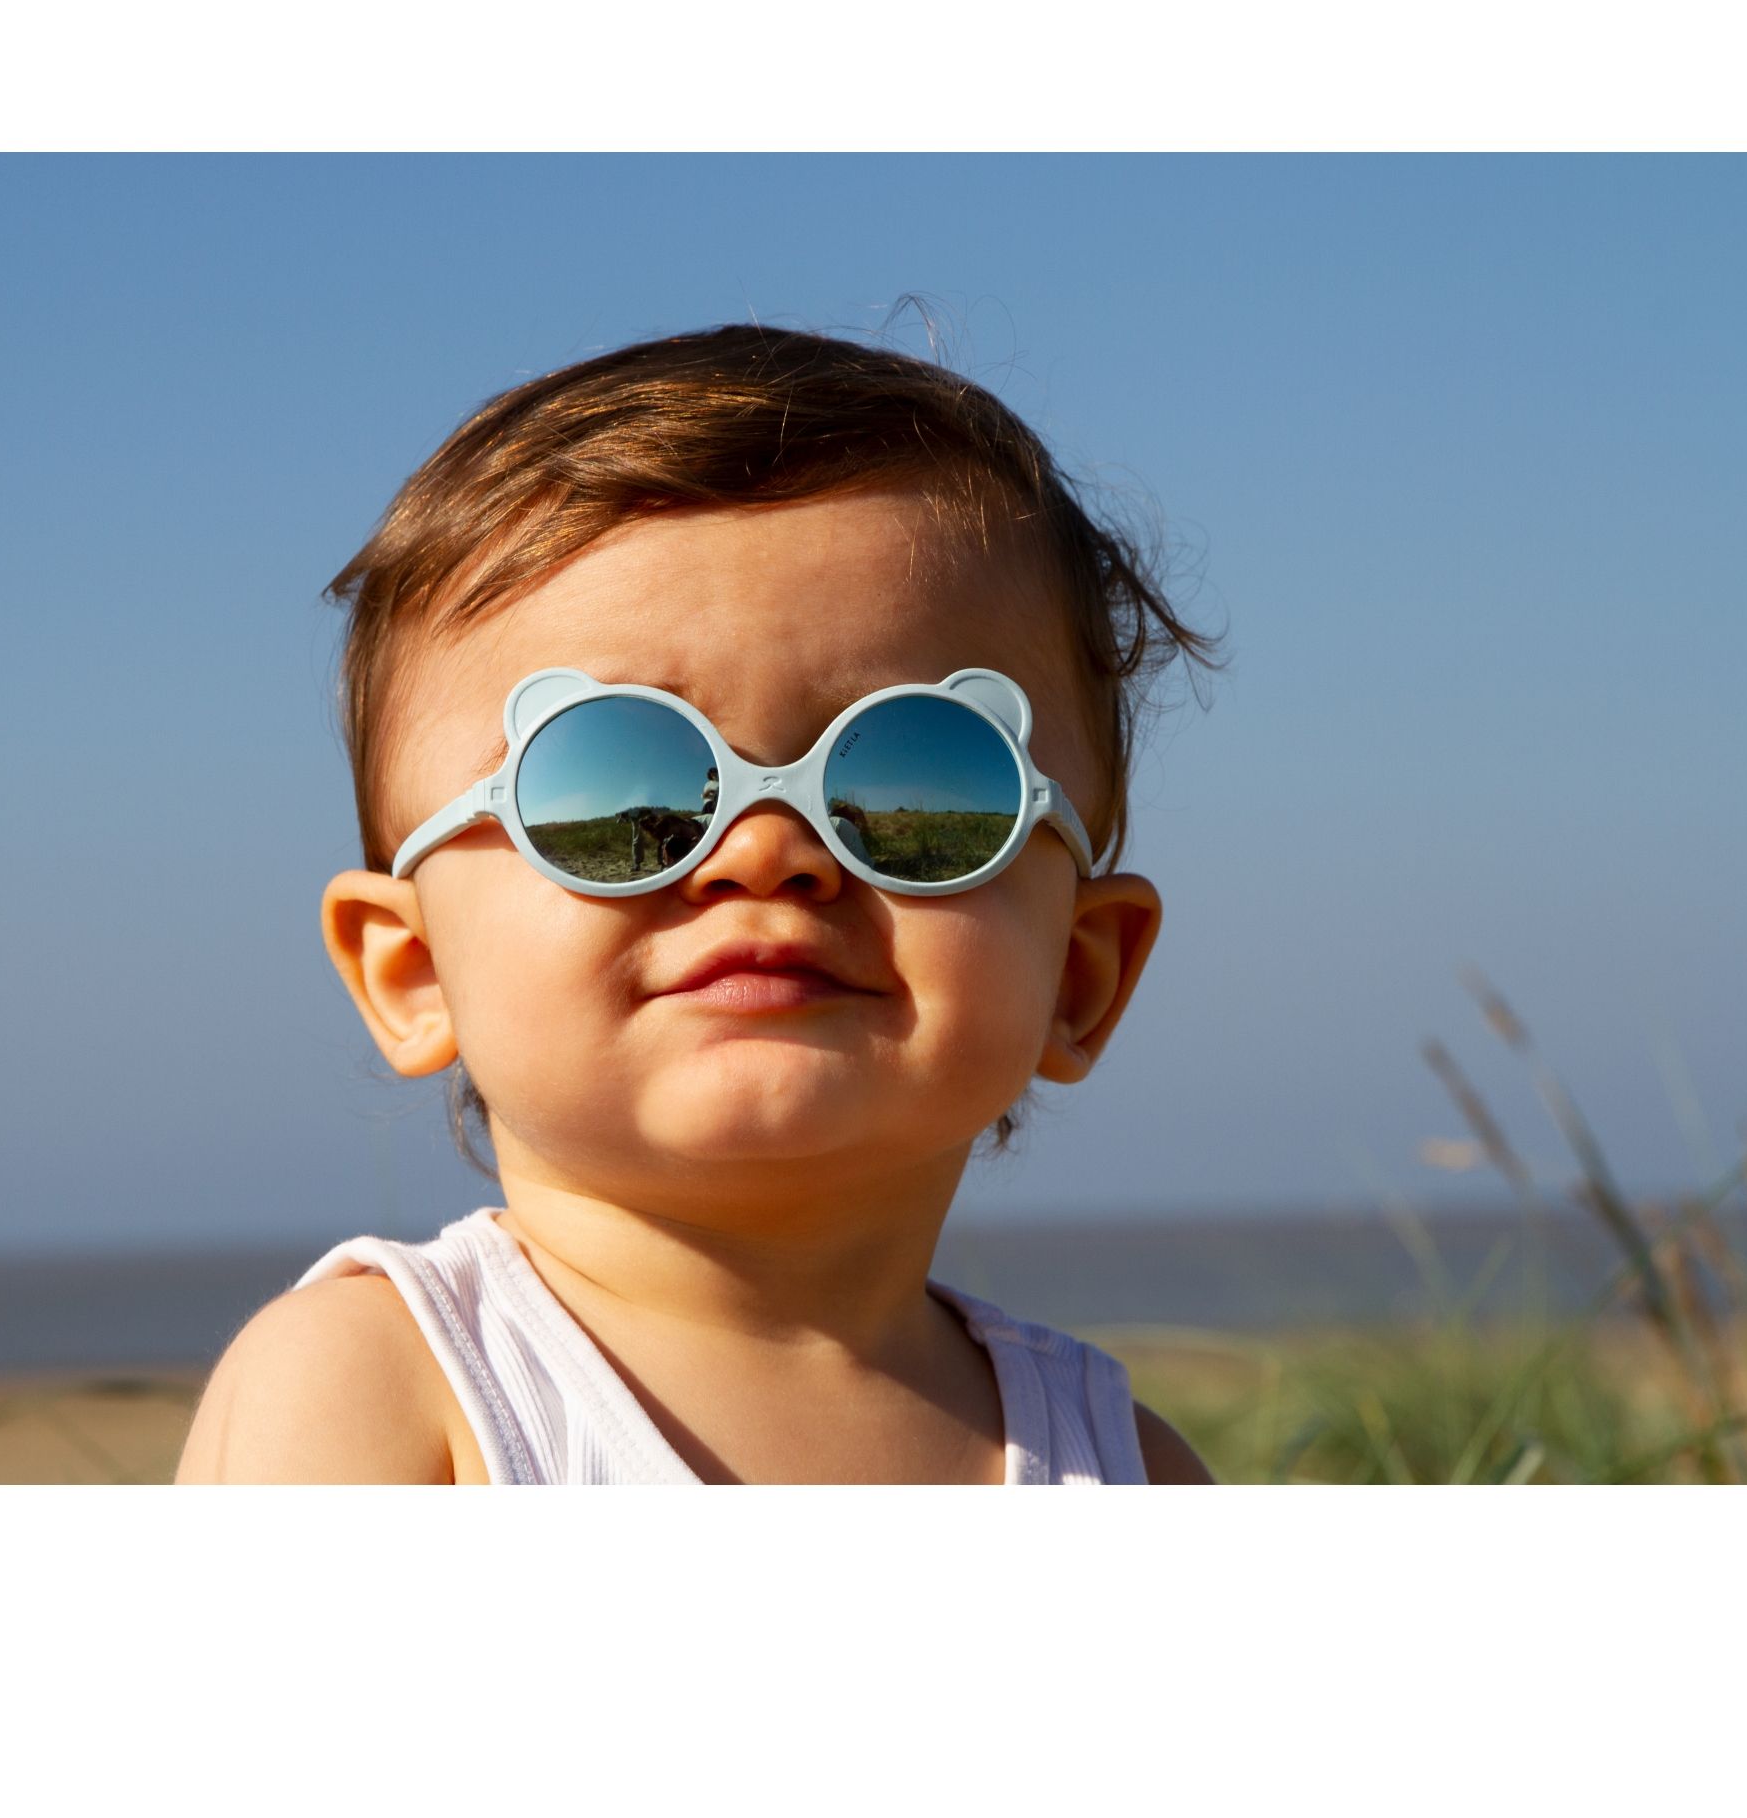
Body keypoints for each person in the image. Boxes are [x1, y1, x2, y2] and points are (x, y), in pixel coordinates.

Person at [176, 323, 1222, 1484]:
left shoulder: (1124, 1461)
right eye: (612, 783)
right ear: (412, 971)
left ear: (1079, 973)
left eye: (910, 781)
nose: (764, 852)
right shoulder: (372, 1388)